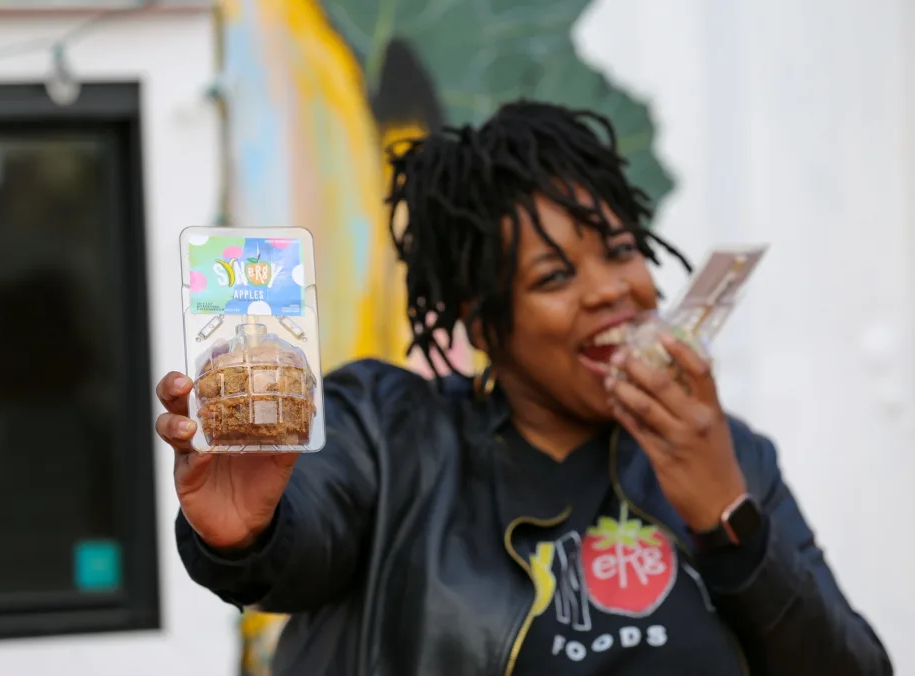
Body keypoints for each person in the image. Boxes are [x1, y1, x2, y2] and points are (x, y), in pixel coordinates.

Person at [158, 101, 892, 675]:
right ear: (484, 325)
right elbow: (303, 539)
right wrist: (248, 534)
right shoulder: (389, 432)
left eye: (620, 251)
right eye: (555, 276)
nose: (613, 291)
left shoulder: (734, 455)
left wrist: (730, 519)